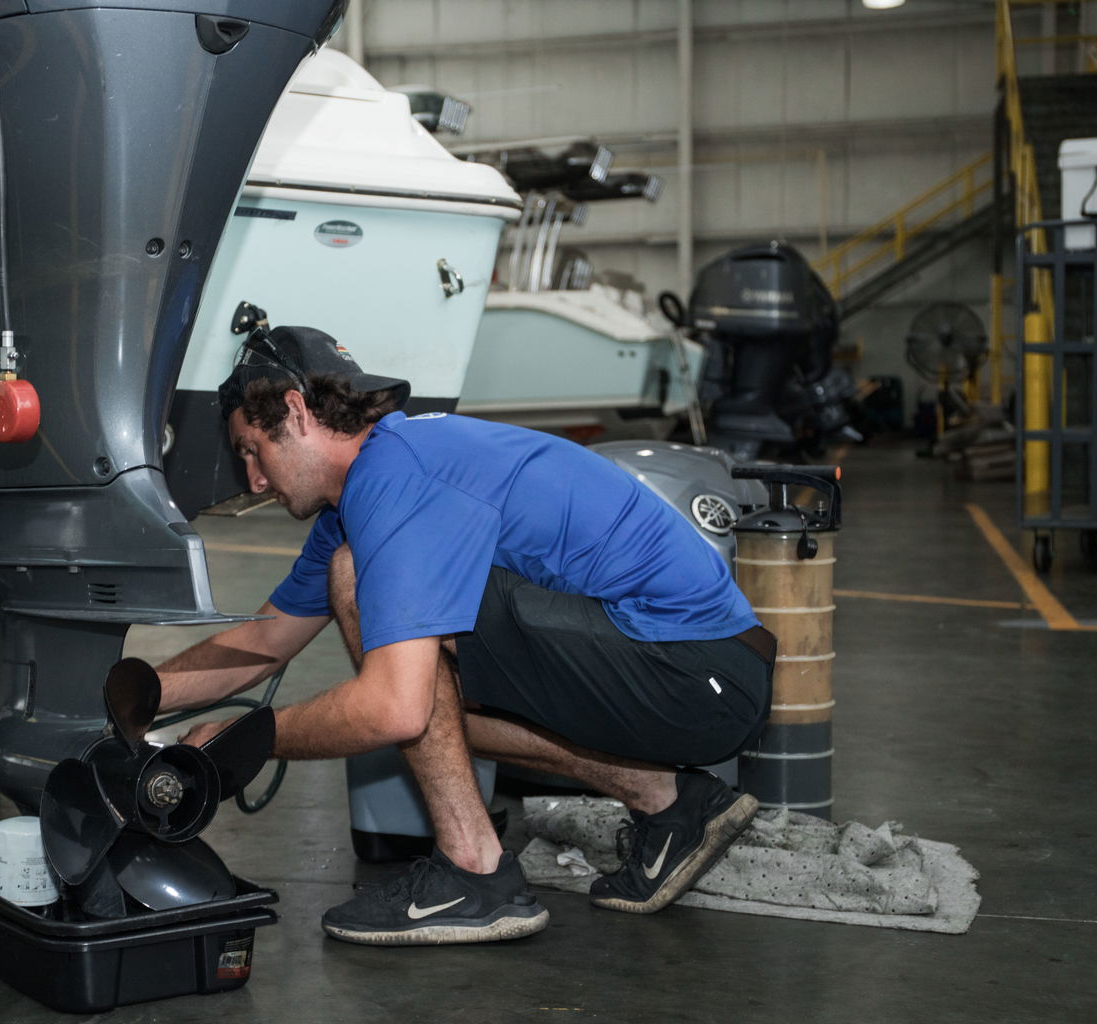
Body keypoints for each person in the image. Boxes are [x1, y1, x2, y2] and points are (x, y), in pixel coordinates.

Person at [157, 324, 775, 947]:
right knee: (441, 717)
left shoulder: (395, 476)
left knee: (385, 643)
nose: (254, 480)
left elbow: (391, 711)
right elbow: (264, 643)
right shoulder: (360, 497)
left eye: (251, 449)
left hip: (699, 673)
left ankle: (473, 874)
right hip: (687, 669)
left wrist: (244, 740)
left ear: (294, 412)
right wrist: (140, 697)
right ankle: (673, 804)